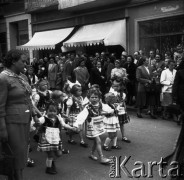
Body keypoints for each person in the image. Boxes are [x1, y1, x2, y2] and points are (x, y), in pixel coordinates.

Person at [0, 49, 38, 180]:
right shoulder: (3, 78)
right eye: (23, 61)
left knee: (22, 153)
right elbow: (0, 106)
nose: (26, 64)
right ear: (13, 61)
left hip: (25, 120)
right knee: (15, 154)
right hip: (11, 124)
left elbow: (28, 98)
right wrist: (2, 129)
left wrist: (35, 115)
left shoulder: (23, 76)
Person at [73, 88, 112, 164]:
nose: (94, 99)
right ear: (89, 98)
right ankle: (102, 158)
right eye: (92, 97)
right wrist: (77, 124)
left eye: (96, 97)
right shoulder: (87, 107)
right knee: (98, 141)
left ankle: (91, 154)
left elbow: (109, 109)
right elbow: (81, 116)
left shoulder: (101, 105)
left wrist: (109, 111)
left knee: (96, 141)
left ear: (99, 98)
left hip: (99, 124)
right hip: (91, 126)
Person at [37, 103, 75, 174]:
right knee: (50, 155)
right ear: (46, 111)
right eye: (50, 111)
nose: (52, 113)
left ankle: (51, 162)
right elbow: (36, 122)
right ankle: (48, 168)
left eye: (54, 111)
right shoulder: (43, 118)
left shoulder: (58, 117)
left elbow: (64, 124)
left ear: (57, 111)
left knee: (59, 154)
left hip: (55, 138)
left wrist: (72, 128)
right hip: (46, 139)